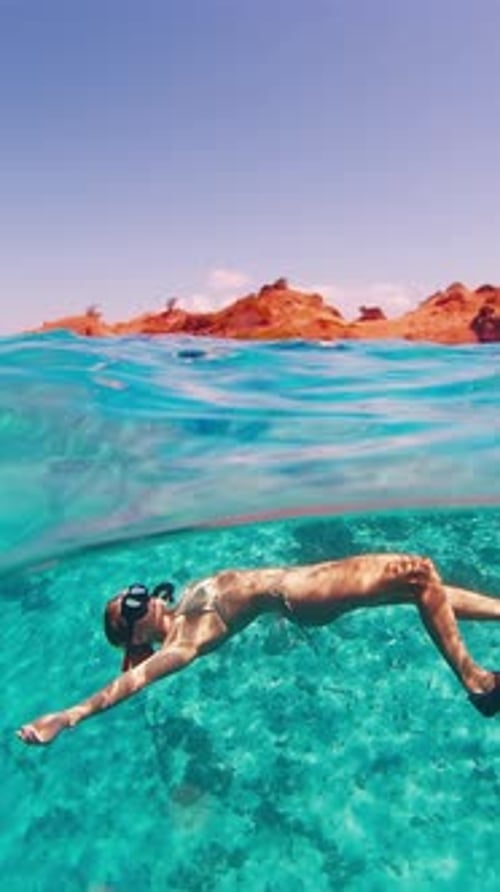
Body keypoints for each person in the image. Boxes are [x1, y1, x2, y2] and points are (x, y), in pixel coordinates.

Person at [17, 552, 500, 745]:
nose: (145, 597)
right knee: (417, 571)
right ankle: (477, 682)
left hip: (302, 582)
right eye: (134, 604)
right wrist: (68, 717)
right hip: (299, 593)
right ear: (137, 635)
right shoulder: (182, 643)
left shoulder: (182, 605)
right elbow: (129, 683)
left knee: (418, 586)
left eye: (137, 590)